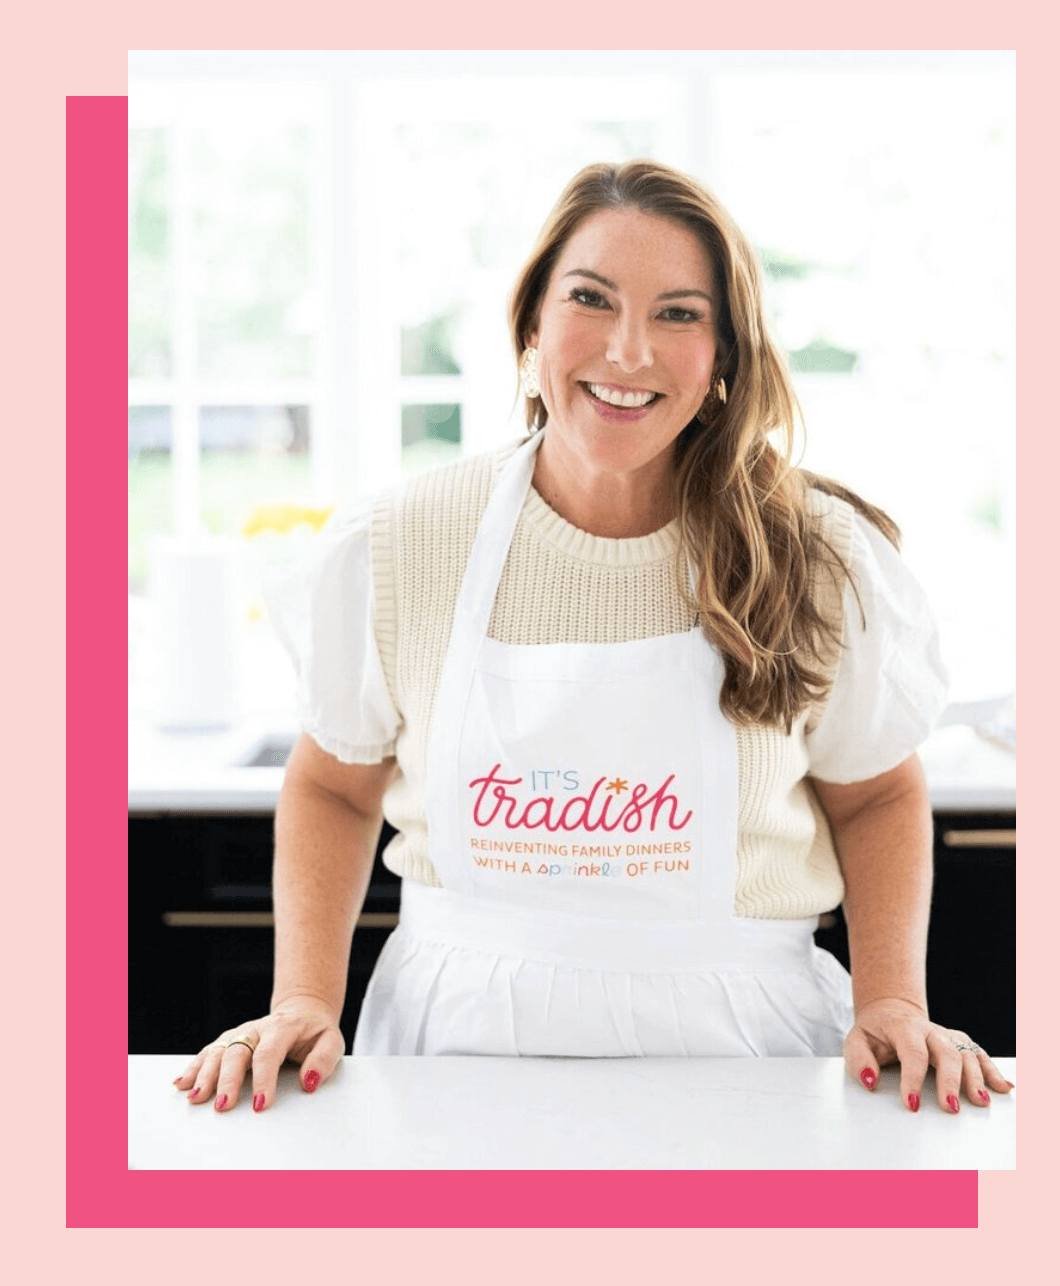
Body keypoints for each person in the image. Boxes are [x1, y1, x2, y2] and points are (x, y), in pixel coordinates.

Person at [173, 160, 1013, 1117]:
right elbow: (333, 782)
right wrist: (303, 999)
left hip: (749, 1062)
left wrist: (894, 1000)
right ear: (532, 326)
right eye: (591, 298)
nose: (628, 350)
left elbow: (876, 796)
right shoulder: (403, 543)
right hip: (454, 1054)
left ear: (725, 355)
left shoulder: (812, 551)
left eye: (679, 314)